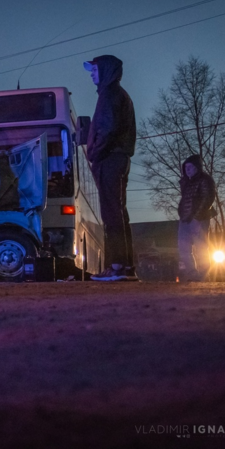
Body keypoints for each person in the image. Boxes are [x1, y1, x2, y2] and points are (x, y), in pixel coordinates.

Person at [83, 55, 136, 281]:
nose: (92, 74)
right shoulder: (118, 94)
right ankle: (124, 267)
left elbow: (106, 128)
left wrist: (93, 153)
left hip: (110, 159)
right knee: (119, 212)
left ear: (105, 70)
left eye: (95, 70)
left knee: (111, 213)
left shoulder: (109, 94)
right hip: (118, 158)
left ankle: (116, 267)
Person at [177, 154, 216, 281]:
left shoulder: (205, 180)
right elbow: (185, 199)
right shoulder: (186, 182)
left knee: (201, 248)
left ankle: (204, 275)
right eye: (186, 167)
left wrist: (197, 216)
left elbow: (207, 198)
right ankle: (192, 274)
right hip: (185, 219)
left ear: (197, 167)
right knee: (183, 248)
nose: (187, 169)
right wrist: (182, 213)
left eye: (190, 166)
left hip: (200, 219)